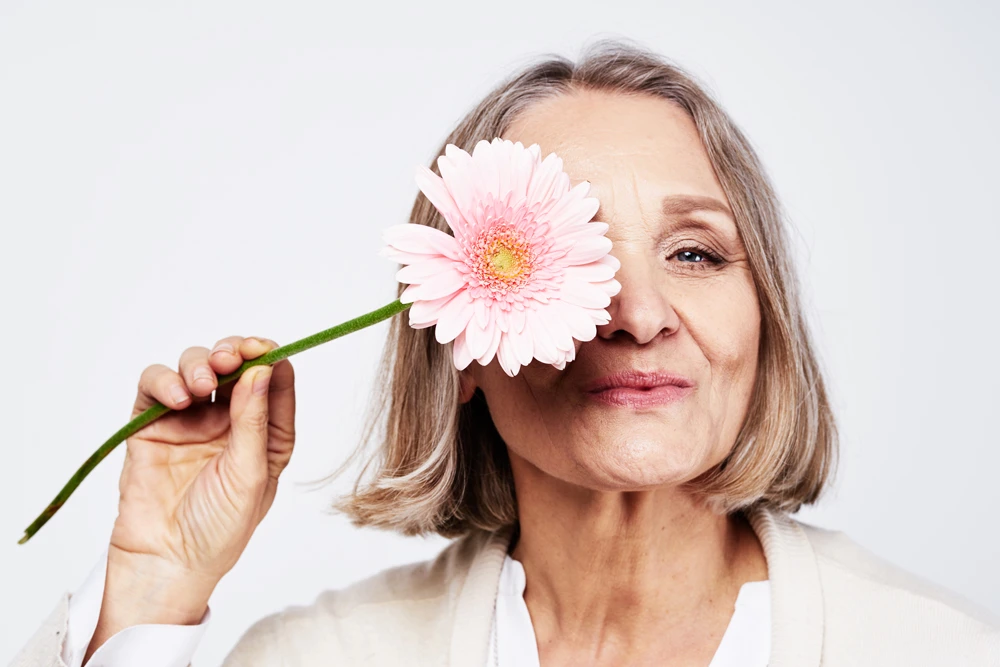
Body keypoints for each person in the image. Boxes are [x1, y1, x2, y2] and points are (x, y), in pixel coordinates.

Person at [13, 39, 1000, 667]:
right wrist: (154, 586)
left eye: (695, 253)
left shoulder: (935, 653)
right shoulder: (320, 657)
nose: (638, 313)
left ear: (766, 320)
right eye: (578, 258)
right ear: (459, 348)